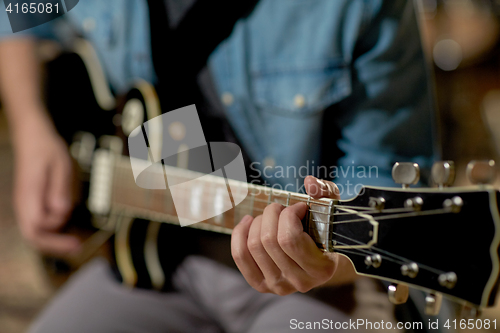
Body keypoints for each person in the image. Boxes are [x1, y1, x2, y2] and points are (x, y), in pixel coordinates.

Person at [0, 0, 440, 332]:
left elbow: (388, 191)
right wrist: (31, 128)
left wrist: (324, 262)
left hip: (317, 287)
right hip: (147, 257)